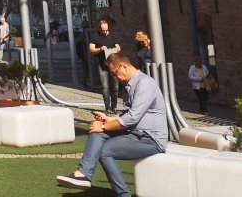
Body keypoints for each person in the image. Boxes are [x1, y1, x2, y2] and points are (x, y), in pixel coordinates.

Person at [57, 52, 168, 195]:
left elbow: (132, 118)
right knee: (97, 131)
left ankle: (123, 195)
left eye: (115, 73)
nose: (114, 77)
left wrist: (103, 126)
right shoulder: (131, 84)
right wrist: (109, 119)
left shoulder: (144, 84)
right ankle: (83, 174)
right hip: (135, 133)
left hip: (150, 138)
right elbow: (127, 114)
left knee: (104, 150)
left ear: (123, 66)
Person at [87, 17, 122, 112]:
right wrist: (100, 49)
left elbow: (119, 48)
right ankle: (108, 108)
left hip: (113, 64)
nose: (105, 32)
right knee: (105, 86)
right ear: (99, 29)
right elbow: (91, 49)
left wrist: (114, 50)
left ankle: (114, 107)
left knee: (115, 86)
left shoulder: (113, 35)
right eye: (103, 30)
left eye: (107, 30)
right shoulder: (94, 36)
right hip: (102, 64)